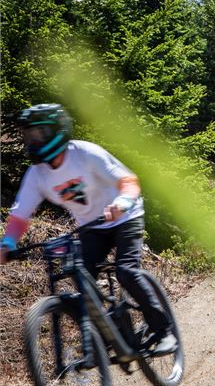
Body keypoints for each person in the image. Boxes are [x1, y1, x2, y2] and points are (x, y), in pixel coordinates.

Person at [0, 103, 177, 355]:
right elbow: (20, 216)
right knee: (83, 281)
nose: (33, 141)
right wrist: (7, 243)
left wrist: (122, 202)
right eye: (29, 135)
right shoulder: (37, 174)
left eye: (39, 134)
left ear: (56, 130)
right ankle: (112, 328)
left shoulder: (84, 153)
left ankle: (164, 331)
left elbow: (129, 181)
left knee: (126, 271)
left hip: (125, 217)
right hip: (91, 227)